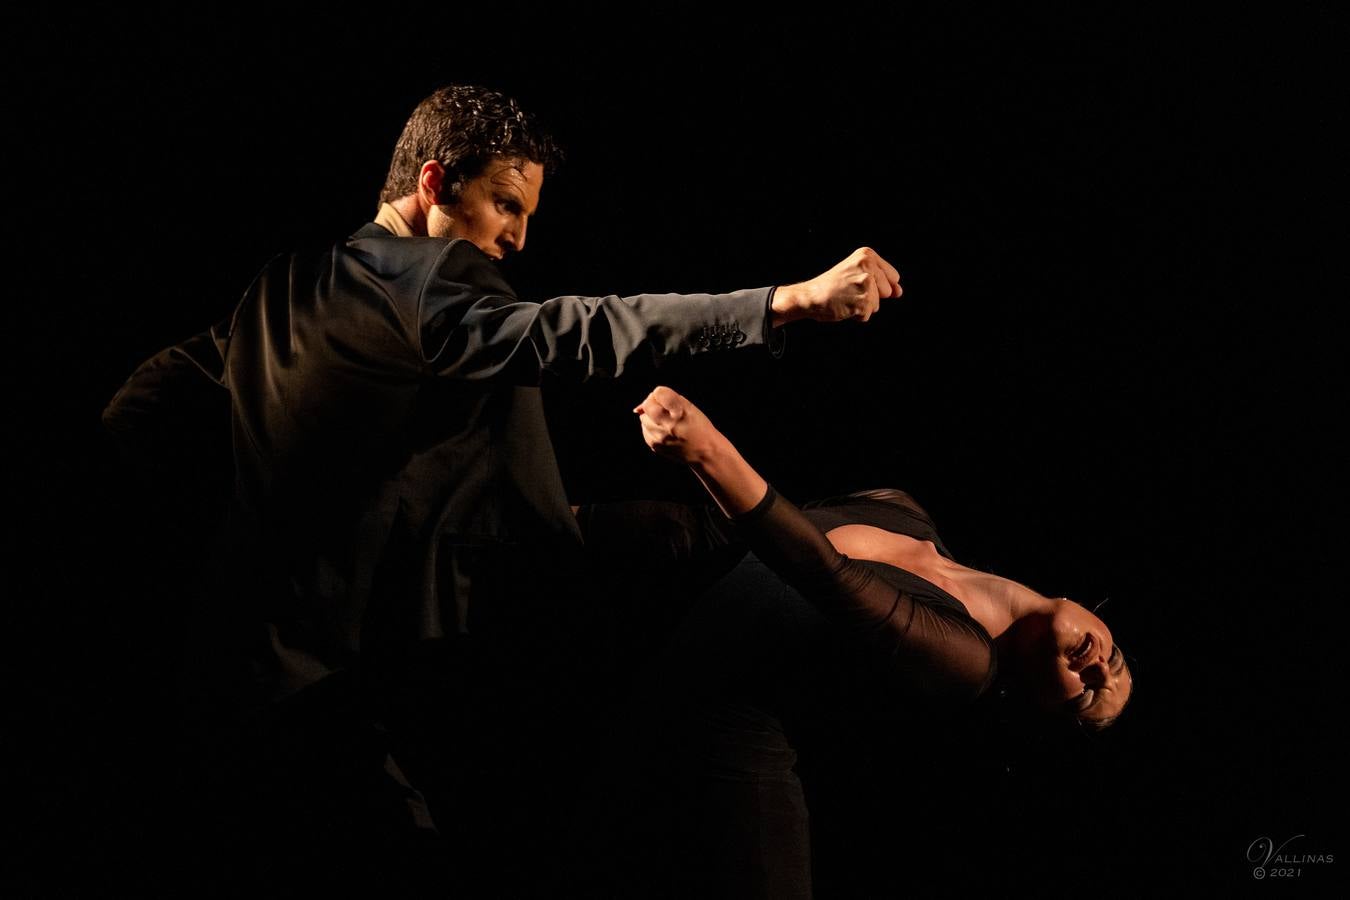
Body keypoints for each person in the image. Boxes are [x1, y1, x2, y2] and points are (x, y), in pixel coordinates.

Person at [101, 84, 902, 893]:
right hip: (382, 684)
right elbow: (578, 331)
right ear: (435, 183)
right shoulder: (429, 279)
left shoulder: (279, 285)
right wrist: (786, 303)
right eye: (504, 205)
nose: (516, 239)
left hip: (251, 680)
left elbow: (141, 407)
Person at [572, 385, 1133, 897]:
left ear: (1035, 708)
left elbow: (823, 572)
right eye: (1118, 661)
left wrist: (708, 451)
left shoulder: (965, 661)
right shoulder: (905, 512)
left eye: (1086, 695)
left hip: (730, 756)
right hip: (662, 660)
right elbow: (717, 535)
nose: (1099, 669)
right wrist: (567, 522)